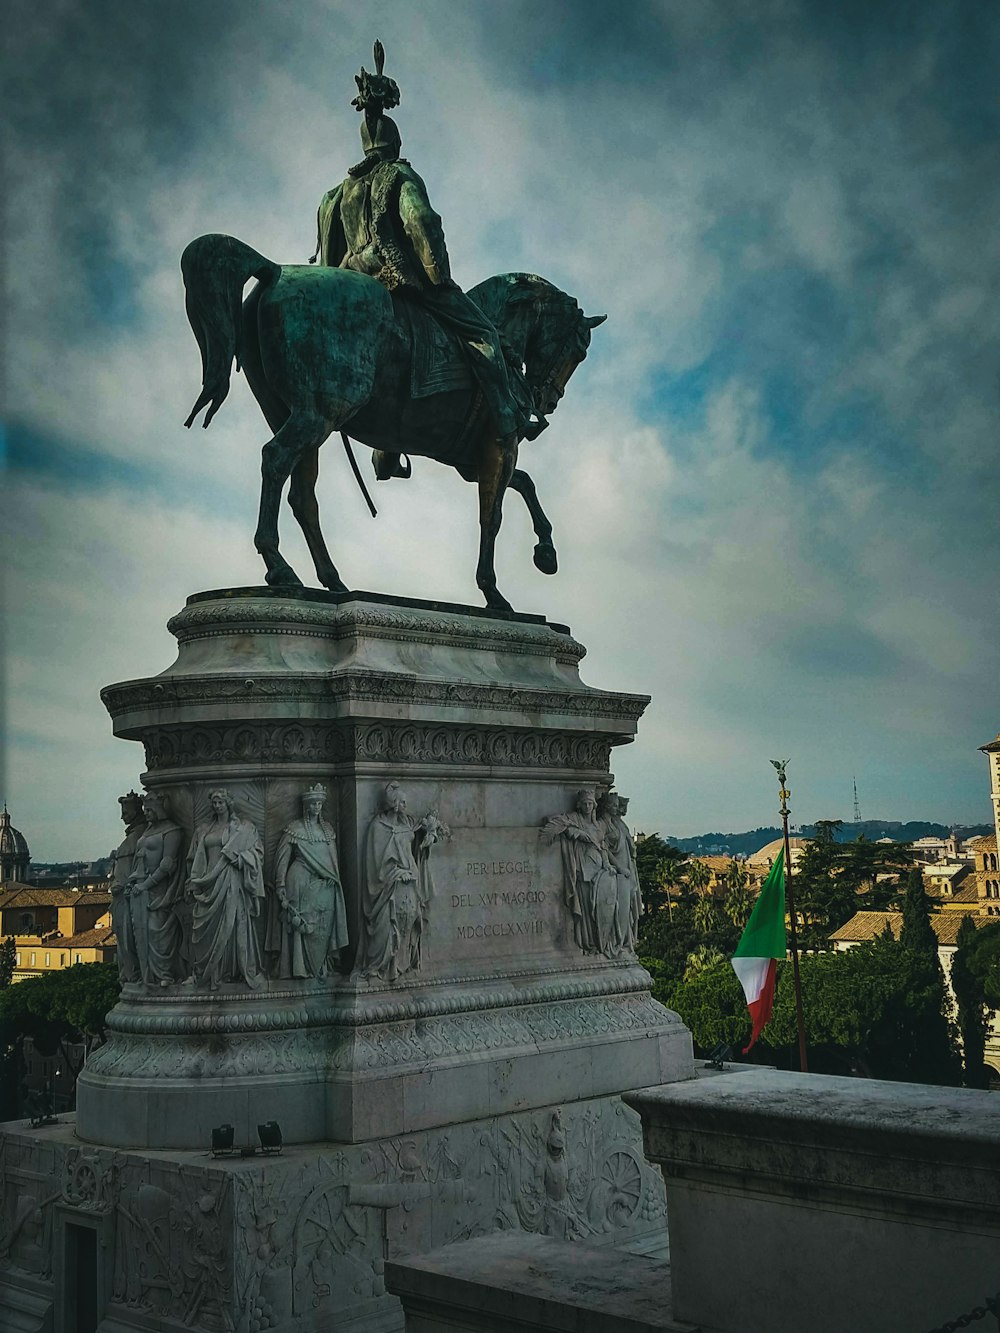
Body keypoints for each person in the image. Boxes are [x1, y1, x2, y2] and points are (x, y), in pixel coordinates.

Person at [313, 50, 535, 467]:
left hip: (351, 277)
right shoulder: (398, 174)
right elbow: (423, 223)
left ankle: (387, 451)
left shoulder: (335, 195)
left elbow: (329, 255)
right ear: (394, 143)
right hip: (395, 272)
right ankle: (507, 417)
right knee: (484, 334)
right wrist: (438, 276)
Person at [358, 781, 447, 981]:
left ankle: (402, 964)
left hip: (410, 885)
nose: (406, 806)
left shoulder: (407, 823)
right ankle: (378, 967)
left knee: (409, 924)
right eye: (403, 802)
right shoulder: (378, 827)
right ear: (395, 804)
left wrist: (428, 835)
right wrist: (395, 873)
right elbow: (375, 866)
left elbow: (414, 847)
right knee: (386, 928)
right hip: (389, 889)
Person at [268, 784, 349, 980]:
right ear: (306, 806)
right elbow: (282, 859)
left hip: (324, 886)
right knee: (299, 927)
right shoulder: (294, 829)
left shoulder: (328, 830)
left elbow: (332, 862)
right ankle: (298, 967)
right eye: (313, 804)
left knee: (322, 926)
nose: (316, 807)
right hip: (299, 881)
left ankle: (321, 966)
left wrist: (331, 877)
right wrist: (280, 886)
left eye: (320, 803)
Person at [186, 790, 265, 989]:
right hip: (207, 882)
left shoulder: (244, 829)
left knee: (232, 926)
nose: (217, 806)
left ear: (228, 804)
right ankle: (208, 973)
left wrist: (239, 859)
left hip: (231, 880)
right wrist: (195, 880)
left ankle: (228, 971)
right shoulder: (204, 829)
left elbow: (257, 854)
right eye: (214, 803)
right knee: (206, 931)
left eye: (220, 802)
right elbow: (194, 857)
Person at [541, 790, 615, 955]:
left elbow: (602, 848)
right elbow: (553, 820)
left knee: (597, 908)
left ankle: (599, 942)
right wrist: (576, 833)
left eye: (590, 803)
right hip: (583, 869)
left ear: (594, 806)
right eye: (585, 804)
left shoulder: (598, 826)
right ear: (579, 806)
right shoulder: (574, 819)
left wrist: (607, 864)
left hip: (599, 869)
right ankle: (587, 941)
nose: (588, 806)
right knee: (587, 908)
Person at [127, 790, 187, 987]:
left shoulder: (172, 831)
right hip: (139, 888)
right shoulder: (147, 832)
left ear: (158, 809)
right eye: (144, 809)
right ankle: (147, 976)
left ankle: (165, 975)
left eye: (149, 809)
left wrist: (147, 884)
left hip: (158, 890)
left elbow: (168, 864)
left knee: (156, 931)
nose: (146, 813)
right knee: (139, 933)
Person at [597, 790, 641, 956]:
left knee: (627, 908)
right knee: (621, 910)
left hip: (626, 871)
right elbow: (603, 848)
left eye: (617, 805)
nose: (616, 808)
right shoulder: (602, 824)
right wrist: (619, 867)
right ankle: (618, 943)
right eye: (613, 805)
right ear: (606, 806)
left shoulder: (617, 824)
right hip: (619, 873)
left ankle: (625, 943)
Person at [109, 789, 145, 983]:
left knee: (129, 939)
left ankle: (133, 974)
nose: (122, 816)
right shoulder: (135, 835)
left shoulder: (140, 836)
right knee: (125, 940)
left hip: (130, 897)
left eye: (126, 812)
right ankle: (131, 974)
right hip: (122, 897)